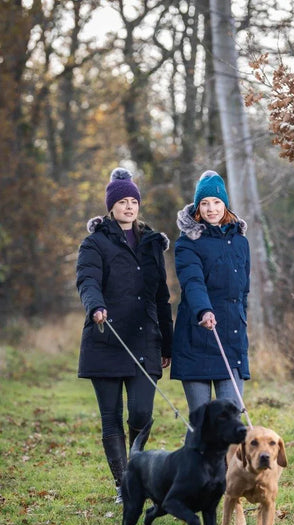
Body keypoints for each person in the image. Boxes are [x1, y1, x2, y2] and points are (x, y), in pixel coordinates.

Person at [76, 167, 173, 503]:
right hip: (106, 337)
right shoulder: (95, 243)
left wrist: (168, 342)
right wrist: (95, 306)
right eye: (122, 202)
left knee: (141, 413)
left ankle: (136, 470)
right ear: (111, 206)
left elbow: (162, 297)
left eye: (133, 201)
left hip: (145, 339)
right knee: (111, 417)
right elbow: (87, 280)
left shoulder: (152, 244)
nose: (129, 207)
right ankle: (124, 484)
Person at [171, 170, 250, 414]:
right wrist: (204, 310)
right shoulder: (187, 243)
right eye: (204, 203)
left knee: (231, 418)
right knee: (201, 421)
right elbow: (192, 281)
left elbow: (243, 290)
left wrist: (241, 319)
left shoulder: (240, 241)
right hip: (197, 336)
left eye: (216, 202)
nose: (211, 208)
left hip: (231, 339)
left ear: (225, 204)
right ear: (197, 207)